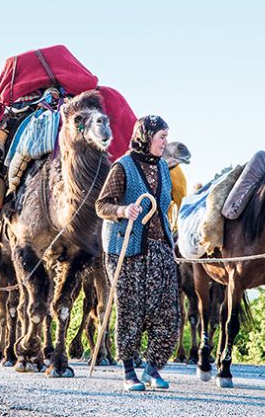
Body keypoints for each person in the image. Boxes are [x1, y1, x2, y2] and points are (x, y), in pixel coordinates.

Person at [96, 115, 181, 391]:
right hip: (127, 249)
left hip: (160, 248)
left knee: (167, 312)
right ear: (147, 137)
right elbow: (102, 205)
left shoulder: (165, 170)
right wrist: (122, 210)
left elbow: (165, 206)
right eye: (161, 137)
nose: (165, 143)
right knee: (130, 311)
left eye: (166, 137)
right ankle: (129, 370)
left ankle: (152, 369)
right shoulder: (123, 167)